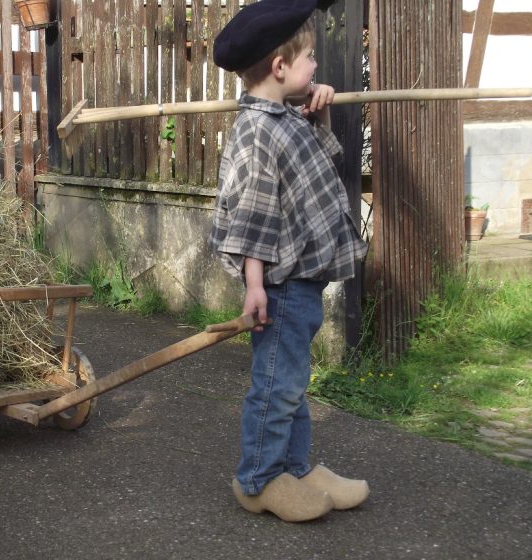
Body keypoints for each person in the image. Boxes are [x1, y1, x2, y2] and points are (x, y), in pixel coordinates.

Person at [209, 0, 370, 522]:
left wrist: (319, 117)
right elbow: (253, 216)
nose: (316, 68)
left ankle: (295, 469)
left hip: (302, 281)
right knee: (276, 387)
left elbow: (325, 165)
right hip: (278, 286)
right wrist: (254, 286)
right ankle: (257, 480)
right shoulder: (259, 131)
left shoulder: (283, 117)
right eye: (308, 59)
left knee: (292, 384)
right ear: (280, 68)